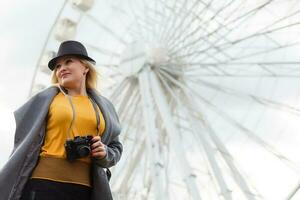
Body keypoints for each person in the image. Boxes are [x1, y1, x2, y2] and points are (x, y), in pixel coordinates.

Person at [0, 40, 123, 200]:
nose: (62, 68)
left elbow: (116, 147)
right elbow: (24, 141)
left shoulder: (104, 107)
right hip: (44, 184)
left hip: (86, 190)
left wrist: (104, 152)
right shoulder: (46, 99)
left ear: (85, 67)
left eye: (68, 61)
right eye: (57, 66)